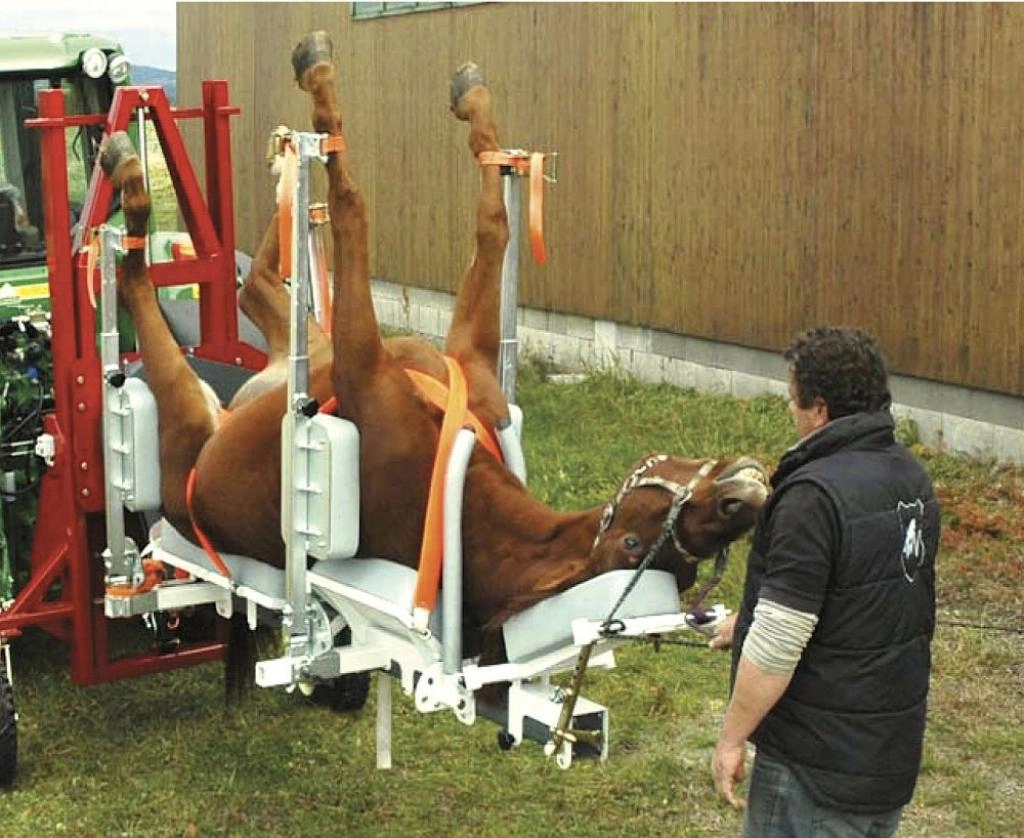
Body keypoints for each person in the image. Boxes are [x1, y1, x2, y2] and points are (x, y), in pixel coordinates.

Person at [709, 326, 939, 836]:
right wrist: (749, 619)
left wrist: (731, 738)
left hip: (812, 773)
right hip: (886, 759)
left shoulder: (812, 498)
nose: (790, 409)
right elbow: (863, 597)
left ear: (818, 409)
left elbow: (777, 644)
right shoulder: (911, 478)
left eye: (793, 398)